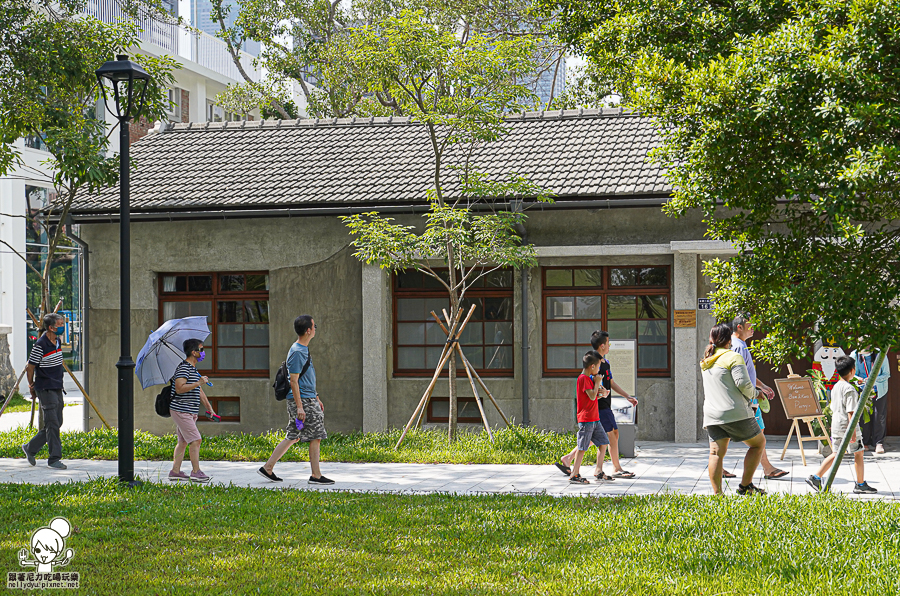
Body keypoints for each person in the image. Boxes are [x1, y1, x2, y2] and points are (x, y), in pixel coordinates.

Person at [258, 315, 334, 485]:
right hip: (303, 403)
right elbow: (293, 381)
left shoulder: (302, 349)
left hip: (308, 398)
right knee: (316, 436)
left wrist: (316, 396)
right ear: (308, 330)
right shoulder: (298, 351)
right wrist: (300, 407)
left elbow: (306, 378)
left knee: (293, 435)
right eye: (314, 326)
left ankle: (267, 468)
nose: (315, 329)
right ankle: (316, 476)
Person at [556, 331, 639, 480]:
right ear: (602, 345)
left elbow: (610, 383)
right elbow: (591, 383)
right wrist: (601, 392)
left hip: (604, 405)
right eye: (608, 343)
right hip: (596, 407)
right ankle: (615, 468)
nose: (609, 345)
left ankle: (570, 459)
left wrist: (627, 396)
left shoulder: (605, 363)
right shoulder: (593, 362)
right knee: (609, 435)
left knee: (599, 437)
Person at [701, 323, 767, 495]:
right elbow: (743, 384)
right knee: (758, 444)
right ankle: (746, 486)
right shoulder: (733, 357)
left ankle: (718, 496)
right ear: (729, 339)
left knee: (716, 453)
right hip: (735, 412)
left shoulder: (706, 360)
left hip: (711, 415)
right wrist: (757, 393)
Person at [806, 355, 877, 494]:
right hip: (848, 426)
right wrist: (853, 432)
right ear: (852, 370)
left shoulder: (836, 386)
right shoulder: (850, 390)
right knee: (858, 452)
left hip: (837, 424)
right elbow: (851, 412)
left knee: (836, 453)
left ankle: (816, 477)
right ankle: (860, 484)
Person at [728, 315, 788, 480]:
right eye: (750, 325)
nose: (753, 327)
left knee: (755, 431)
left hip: (749, 395)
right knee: (754, 434)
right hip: (746, 397)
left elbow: (746, 373)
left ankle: (767, 468)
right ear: (739, 327)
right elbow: (739, 376)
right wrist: (754, 392)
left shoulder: (740, 345)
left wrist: (761, 385)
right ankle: (763, 471)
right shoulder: (738, 346)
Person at [554, 350, 610, 484]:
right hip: (586, 419)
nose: (598, 370)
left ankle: (599, 470)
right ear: (592, 366)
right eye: (598, 367)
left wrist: (603, 392)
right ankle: (575, 473)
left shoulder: (590, 379)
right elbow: (591, 396)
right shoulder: (583, 379)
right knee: (582, 447)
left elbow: (595, 395)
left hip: (595, 418)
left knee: (603, 443)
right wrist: (597, 382)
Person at [22, 313, 68, 470]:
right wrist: (31, 385)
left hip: (57, 387)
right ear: (51, 327)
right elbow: (30, 366)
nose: (62, 326)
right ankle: (54, 458)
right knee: (52, 423)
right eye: (60, 324)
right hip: (45, 388)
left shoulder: (57, 341)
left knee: (57, 422)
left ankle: (30, 447)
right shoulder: (40, 345)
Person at [168, 338, 217, 483]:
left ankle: (175, 471)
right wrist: (199, 382)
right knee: (196, 440)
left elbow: (199, 391)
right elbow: (179, 388)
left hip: (190, 411)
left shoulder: (193, 369)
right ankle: (196, 472)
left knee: (183, 441)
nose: (203, 353)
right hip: (181, 410)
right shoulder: (183, 368)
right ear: (193, 352)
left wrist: (210, 408)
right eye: (201, 350)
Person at [850, 348, 891, 454]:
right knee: (864, 415)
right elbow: (852, 374)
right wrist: (859, 380)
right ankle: (865, 441)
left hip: (879, 389)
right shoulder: (854, 354)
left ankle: (879, 442)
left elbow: (886, 374)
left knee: (879, 416)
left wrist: (873, 379)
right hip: (862, 389)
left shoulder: (880, 354)